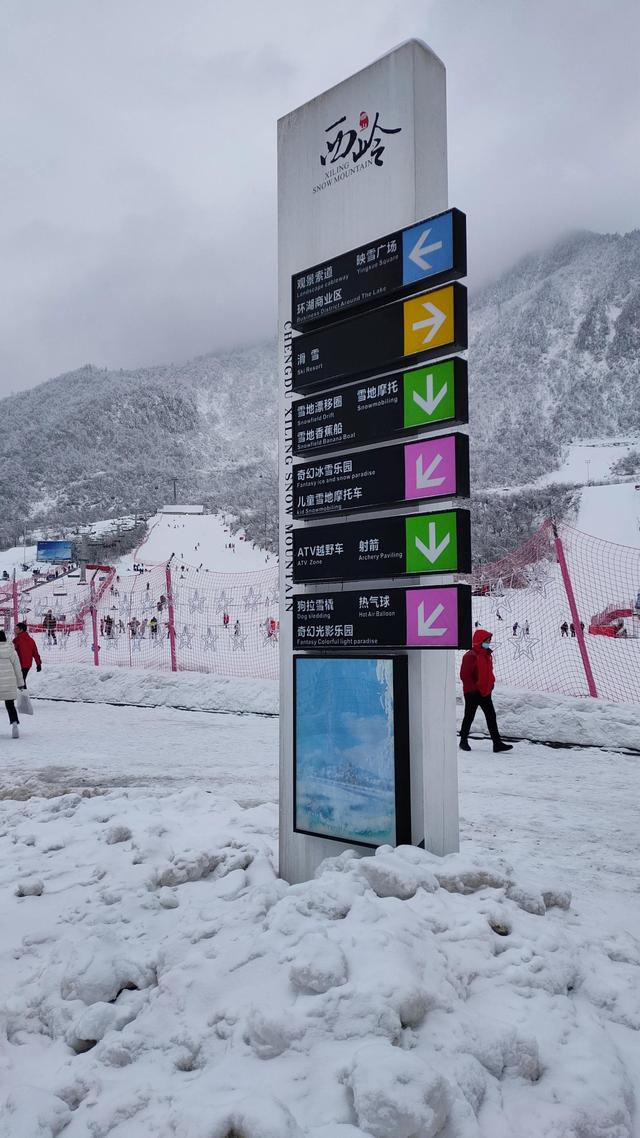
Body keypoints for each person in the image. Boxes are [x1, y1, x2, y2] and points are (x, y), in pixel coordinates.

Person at [459, 629, 513, 753]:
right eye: (486, 640)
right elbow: (465, 675)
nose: (488, 643)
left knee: (491, 716)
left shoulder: (487, 655)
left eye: (489, 640)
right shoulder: (470, 655)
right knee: (469, 716)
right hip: (472, 693)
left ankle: (497, 743)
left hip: (485, 691)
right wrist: (472, 690)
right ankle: (463, 740)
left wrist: (491, 684)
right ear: (479, 641)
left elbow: (488, 672)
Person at [0, 629, 26, 738]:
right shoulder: (11, 650)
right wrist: (21, 683)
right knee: (10, 705)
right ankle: (14, 724)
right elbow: (17, 667)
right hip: (9, 683)